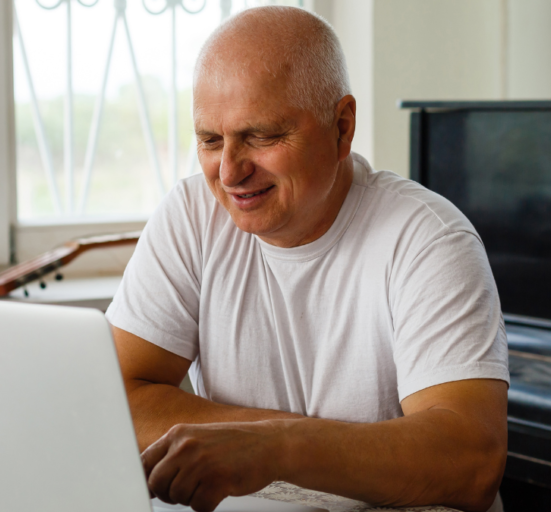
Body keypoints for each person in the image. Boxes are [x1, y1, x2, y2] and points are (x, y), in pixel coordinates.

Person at [106, 6, 509, 512]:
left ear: (342, 127)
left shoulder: (428, 237)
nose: (229, 172)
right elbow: (116, 398)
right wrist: (266, 443)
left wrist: (277, 447)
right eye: (211, 140)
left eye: (262, 136)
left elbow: (470, 461)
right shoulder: (192, 213)